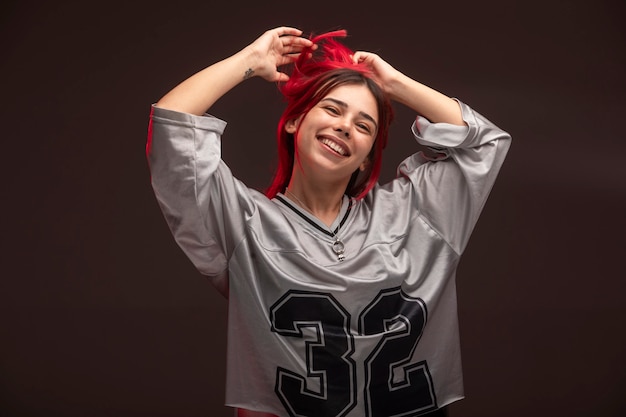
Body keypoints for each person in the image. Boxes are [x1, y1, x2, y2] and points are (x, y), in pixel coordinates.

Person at [147, 26, 511, 417]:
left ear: (368, 156)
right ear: (294, 122)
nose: (344, 127)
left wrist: (395, 84)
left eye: (364, 125)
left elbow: (483, 143)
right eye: (333, 109)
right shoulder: (242, 223)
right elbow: (172, 124)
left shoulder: (415, 215)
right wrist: (248, 63)